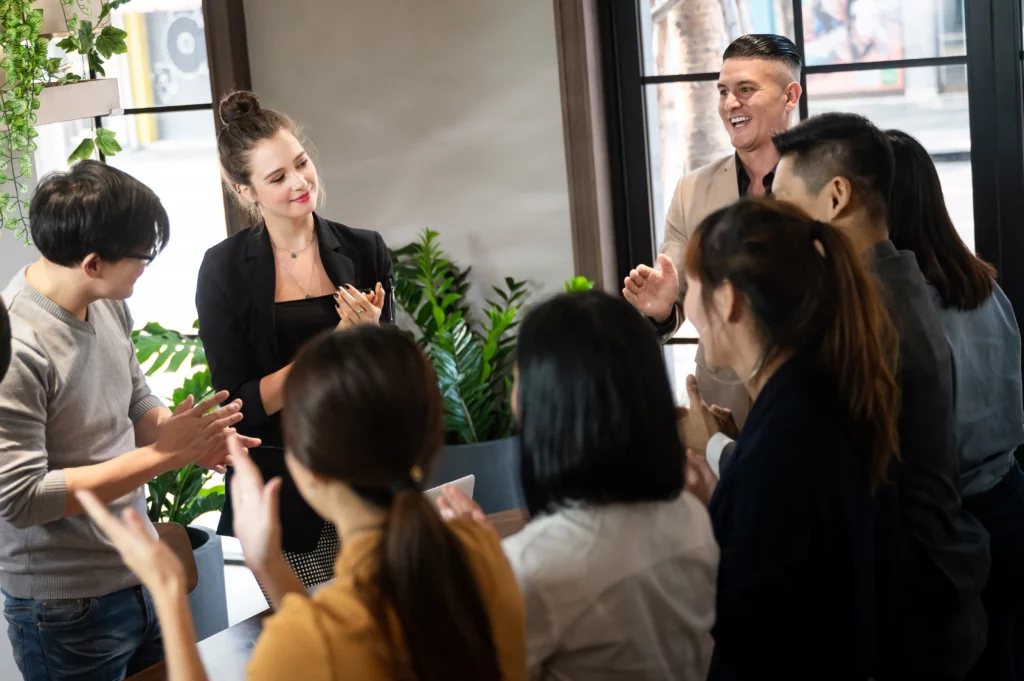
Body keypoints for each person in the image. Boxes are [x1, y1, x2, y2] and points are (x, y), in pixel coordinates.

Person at [78, 325, 528, 681]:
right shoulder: (482, 550)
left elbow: (319, 645)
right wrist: (268, 563)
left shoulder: (307, 645)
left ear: (310, 470)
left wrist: (169, 595)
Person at [0, 160, 252, 681]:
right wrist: (162, 456)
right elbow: (23, 499)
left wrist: (185, 438)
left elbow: (135, 397)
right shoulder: (17, 345)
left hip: (139, 567)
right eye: (141, 257)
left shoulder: (106, 301)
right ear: (93, 263)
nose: (145, 267)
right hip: (65, 607)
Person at [767, 113, 990, 680]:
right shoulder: (888, 281)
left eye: (785, 203)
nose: (775, 223)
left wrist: (720, 445)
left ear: (836, 196)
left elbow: (826, 475)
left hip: (909, 603)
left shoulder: (874, 313)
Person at [440, 290, 719, 680]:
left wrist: (482, 570)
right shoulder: (691, 515)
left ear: (549, 402)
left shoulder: (536, 567)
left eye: (519, 378)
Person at [679, 198, 900, 680]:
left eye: (691, 285)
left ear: (728, 299)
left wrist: (703, 515)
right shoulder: (814, 392)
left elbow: (751, 627)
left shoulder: (787, 439)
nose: (687, 304)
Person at [197, 90, 395, 590]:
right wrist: (334, 347)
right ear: (246, 191)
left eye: (302, 163)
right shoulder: (223, 270)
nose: (300, 182)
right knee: (310, 630)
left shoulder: (364, 249)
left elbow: (392, 385)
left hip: (365, 479)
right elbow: (238, 405)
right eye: (277, 177)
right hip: (281, 492)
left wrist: (370, 338)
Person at [887, 129, 1024, 681]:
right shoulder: (983, 285)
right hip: (1008, 492)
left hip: (952, 515)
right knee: (1003, 656)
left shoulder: (905, 309)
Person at [623, 33, 802, 431]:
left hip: (812, 399)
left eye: (746, 90)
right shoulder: (691, 191)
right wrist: (660, 310)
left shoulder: (825, 182)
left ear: (790, 96)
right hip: (722, 408)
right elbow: (674, 299)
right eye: (723, 91)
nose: (730, 103)